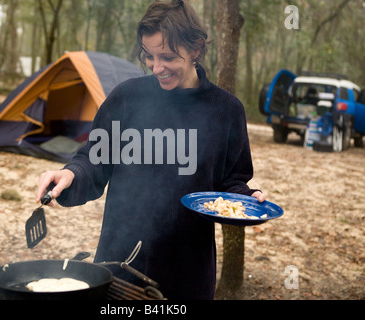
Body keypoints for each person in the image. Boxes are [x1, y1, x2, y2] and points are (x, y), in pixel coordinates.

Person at [36, 0, 265, 300]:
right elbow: (93, 161)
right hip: (120, 263)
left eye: (167, 57)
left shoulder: (227, 111)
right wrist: (69, 174)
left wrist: (248, 200)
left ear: (195, 48)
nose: (157, 67)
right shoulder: (127, 98)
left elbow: (230, 183)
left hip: (188, 272)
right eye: (149, 57)